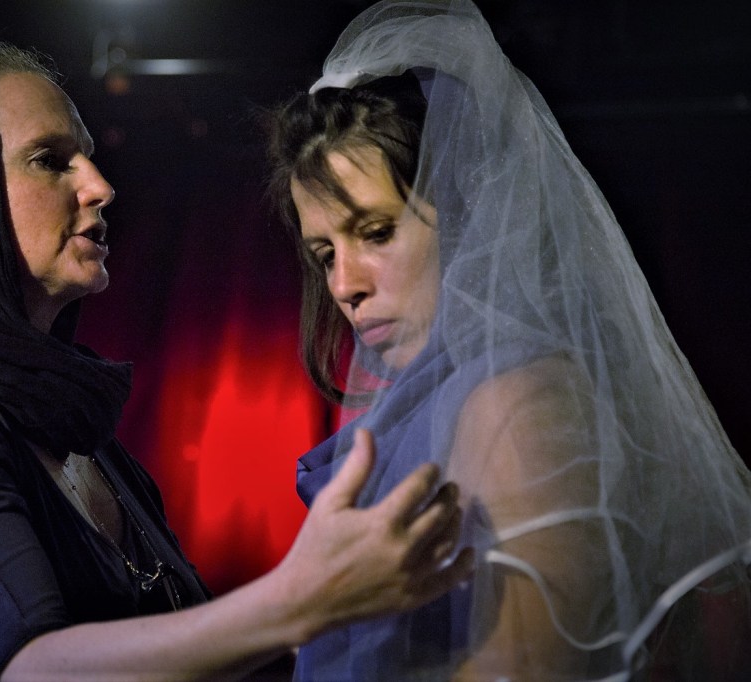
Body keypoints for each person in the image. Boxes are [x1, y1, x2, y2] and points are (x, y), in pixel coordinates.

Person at [0, 40, 475, 681]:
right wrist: (305, 598)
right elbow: (31, 668)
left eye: (87, 156)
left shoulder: (75, 426)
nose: (100, 185)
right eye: (50, 160)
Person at [266, 0, 751, 679]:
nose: (345, 285)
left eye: (376, 232)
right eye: (324, 254)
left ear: (472, 218)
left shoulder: (517, 405)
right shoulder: (455, 403)